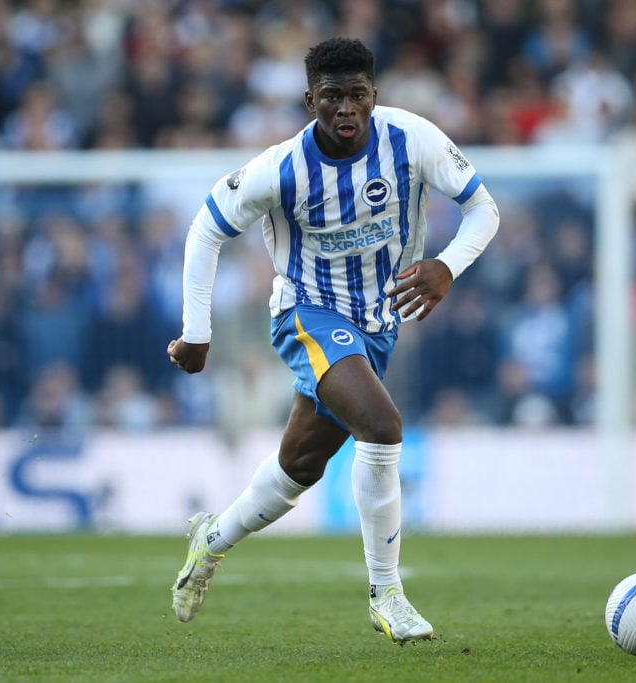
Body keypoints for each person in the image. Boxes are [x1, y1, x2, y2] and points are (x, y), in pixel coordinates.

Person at [165, 37, 499, 643]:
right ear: (309, 100)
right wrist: (197, 331)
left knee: (299, 467)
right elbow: (205, 230)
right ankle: (387, 593)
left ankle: (209, 540)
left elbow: (484, 210)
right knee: (381, 425)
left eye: (356, 96)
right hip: (307, 313)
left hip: (376, 325)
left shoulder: (411, 139)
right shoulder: (280, 168)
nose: (345, 109)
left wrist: (446, 266)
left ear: (374, 96)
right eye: (331, 98)